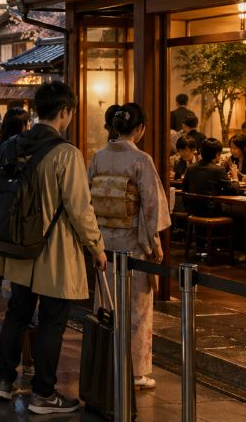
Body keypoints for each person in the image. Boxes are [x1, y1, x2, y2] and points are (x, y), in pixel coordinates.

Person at [0, 81, 107, 415]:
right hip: (53, 251)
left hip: (18, 247)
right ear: (65, 112)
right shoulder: (66, 153)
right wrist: (96, 246)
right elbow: (79, 208)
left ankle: (4, 382)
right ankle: (43, 393)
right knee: (52, 322)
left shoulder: (14, 144)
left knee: (17, 312)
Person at [87, 103, 170, 391]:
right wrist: (154, 243)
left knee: (106, 304)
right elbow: (151, 207)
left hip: (104, 243)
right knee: (136, 310)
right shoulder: (141, 160)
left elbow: (89, 199)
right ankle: (135, 371)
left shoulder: (97, 157)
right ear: (140, 129)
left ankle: (106, 362)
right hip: (133, 243)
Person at [0, 108, 30, 290]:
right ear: (22, 125)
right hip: (18, 196)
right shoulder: (26, 146)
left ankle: (1, 275)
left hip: (0, 196)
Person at [182, 138, 238, 218]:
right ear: (217, 154)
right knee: (237, 211)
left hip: (192, 210)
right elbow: (232, 191)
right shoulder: (218, 169)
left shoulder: (190, 168)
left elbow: (185, 189)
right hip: (211, 212)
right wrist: (235, 178)